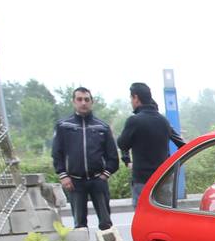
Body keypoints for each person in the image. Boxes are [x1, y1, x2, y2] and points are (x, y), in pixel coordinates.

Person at [52, 87, 118, 231]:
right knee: (79, 225)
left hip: (98, 180)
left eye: (87, 99)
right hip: (75, 181)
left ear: (91, 102)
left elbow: (113, 156)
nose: (83, 103)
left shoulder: (102, 127)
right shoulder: (64, 126)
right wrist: (63, 175)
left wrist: (105, 175)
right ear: (73, 102)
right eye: (79, 99)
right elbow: (57, 153)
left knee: (106, 224)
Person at [118, 82, 184, 205]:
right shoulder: (163, 121)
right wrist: (172, 166)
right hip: (163, 178)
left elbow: (122, 144)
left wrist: (127, 160)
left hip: (142, 180)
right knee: (164, 213)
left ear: (136, 97)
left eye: (131, 98)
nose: (131, 101)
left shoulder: (134, 121)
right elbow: (182, 145)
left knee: (143, 213)